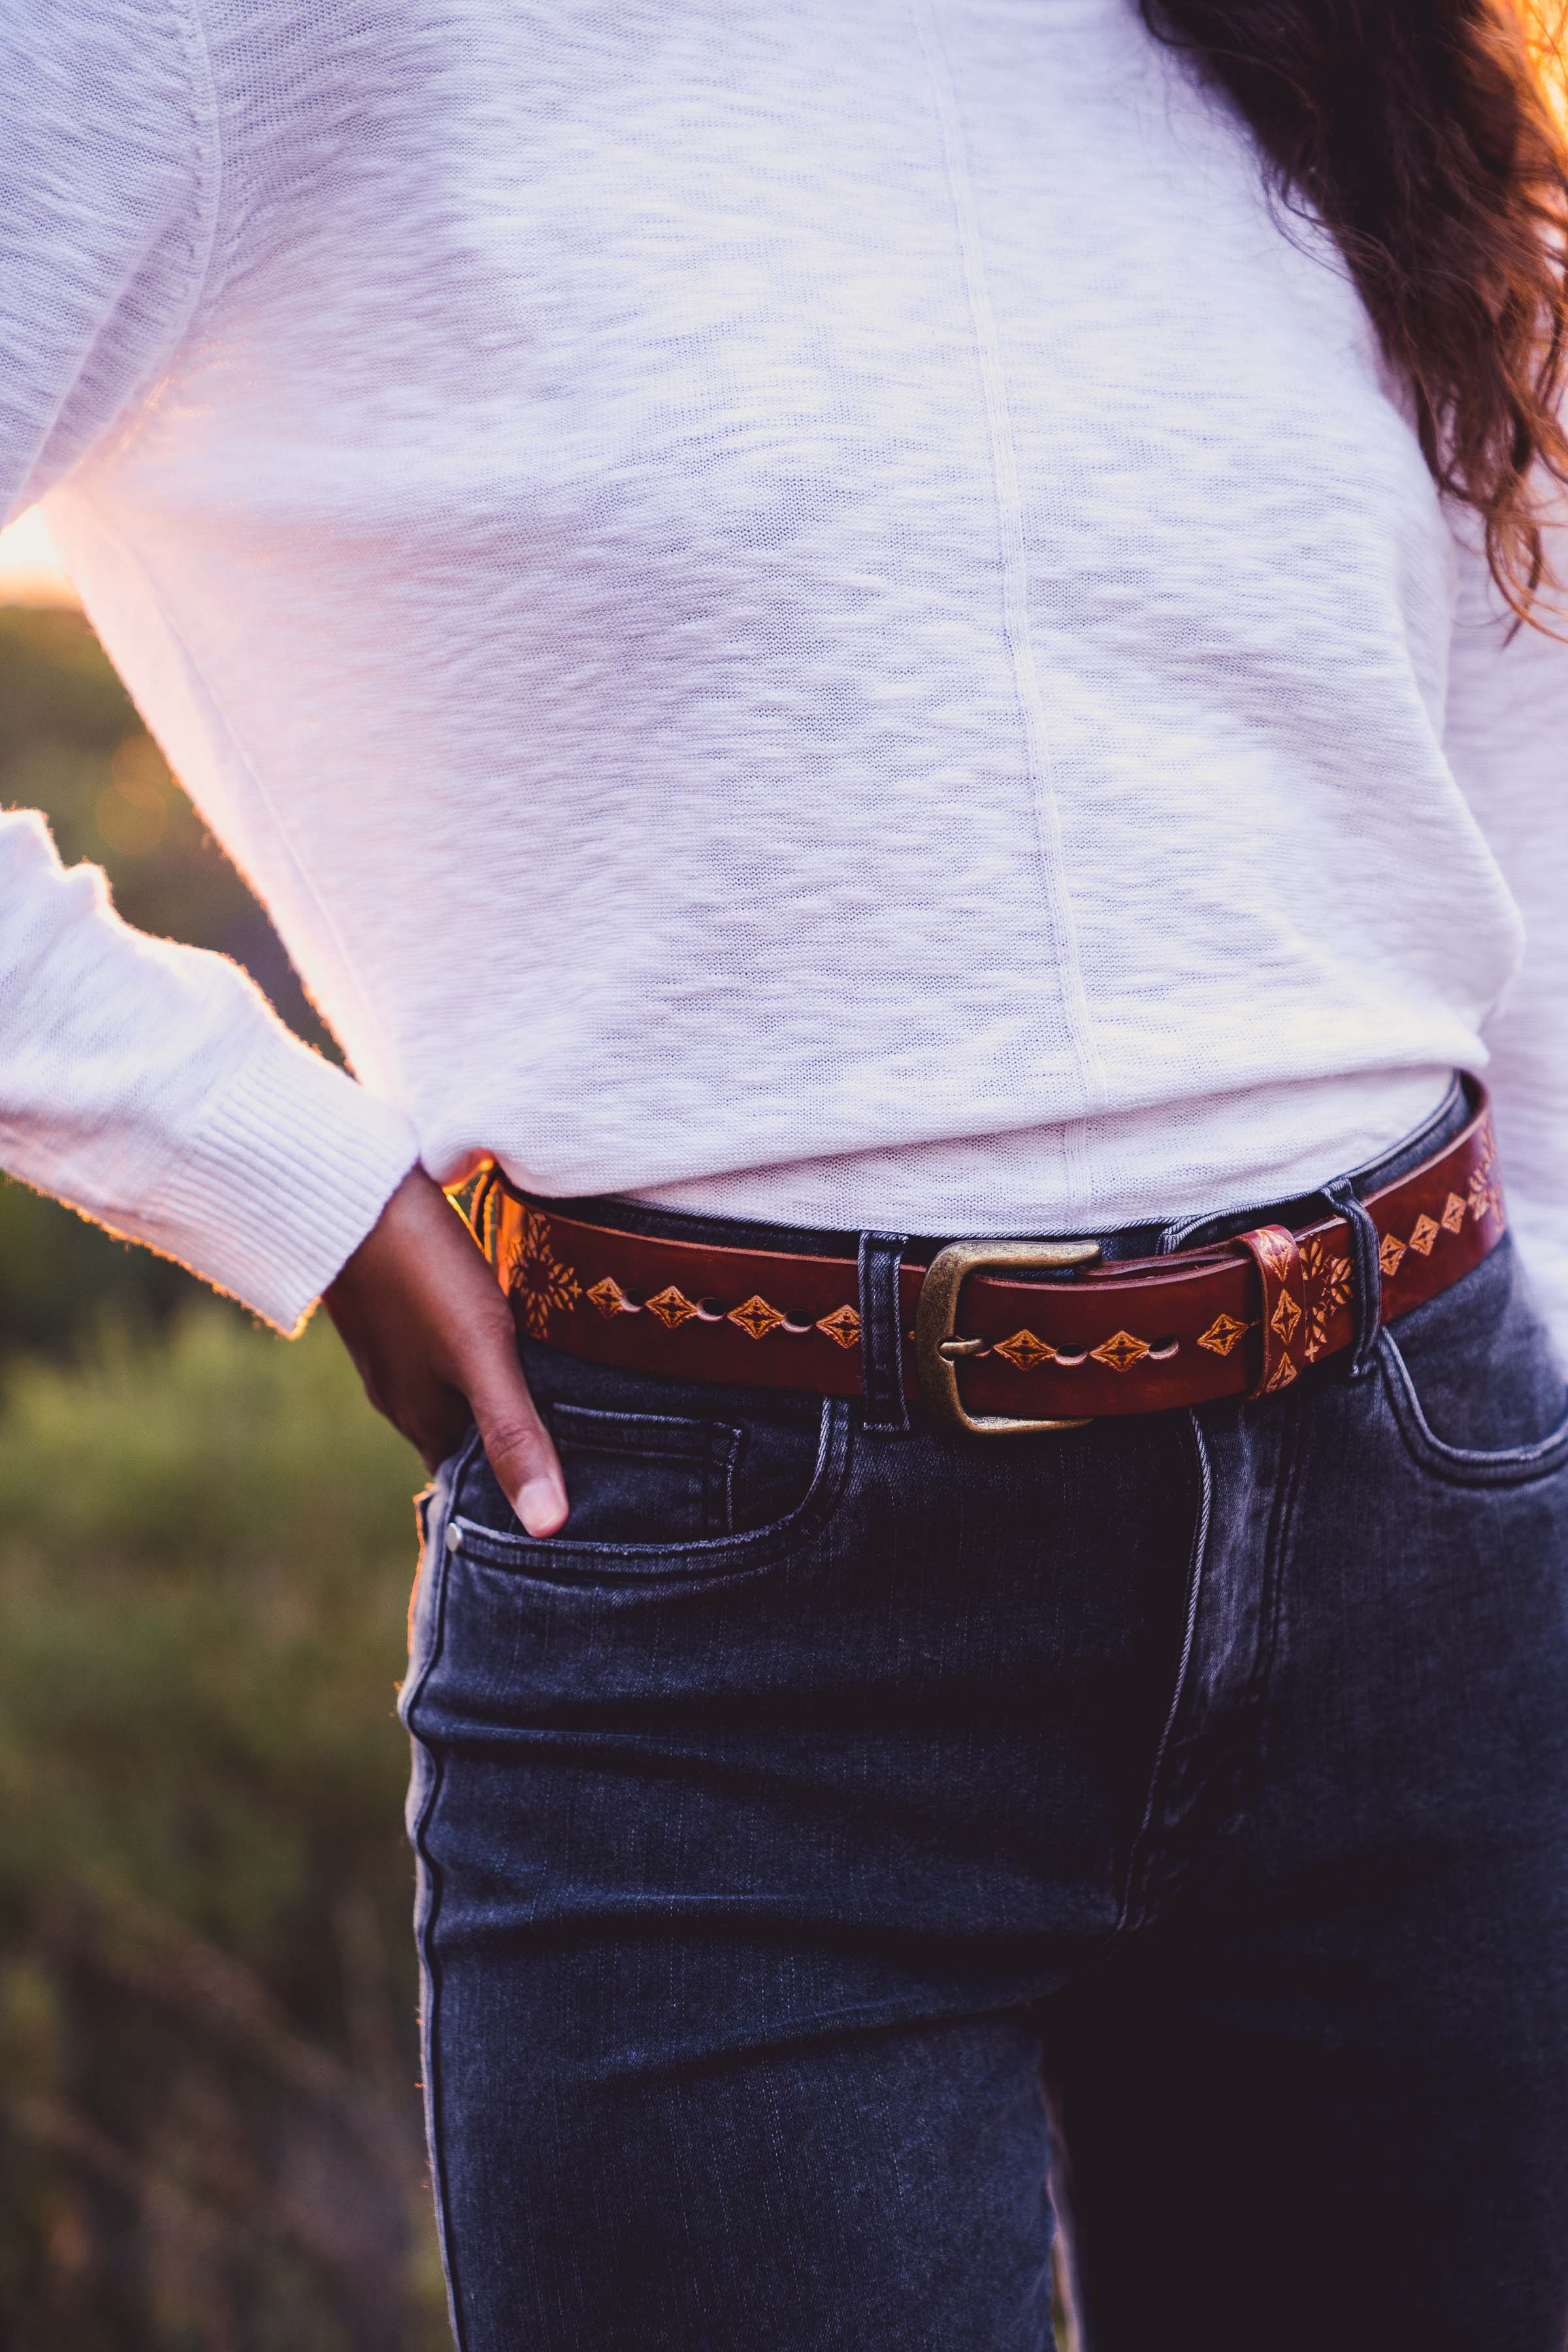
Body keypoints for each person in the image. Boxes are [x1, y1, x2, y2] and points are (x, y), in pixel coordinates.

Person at [4, 1, 1568, 2344]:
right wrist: (275, 1173)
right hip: (735, 1640)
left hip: (1440, 1542)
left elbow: (1507, 785)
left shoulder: (1326, 45)